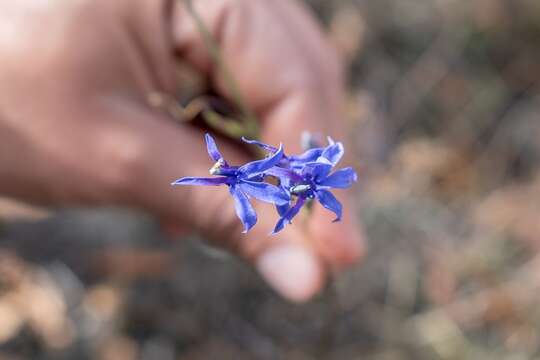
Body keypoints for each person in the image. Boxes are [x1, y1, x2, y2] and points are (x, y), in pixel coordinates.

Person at [0, 0, 365, 302]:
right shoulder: (253, 185)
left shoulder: (275, 179)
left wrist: (290, 175)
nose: (218, 170)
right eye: (219, 169)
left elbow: (277, 167)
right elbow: (265, 176)